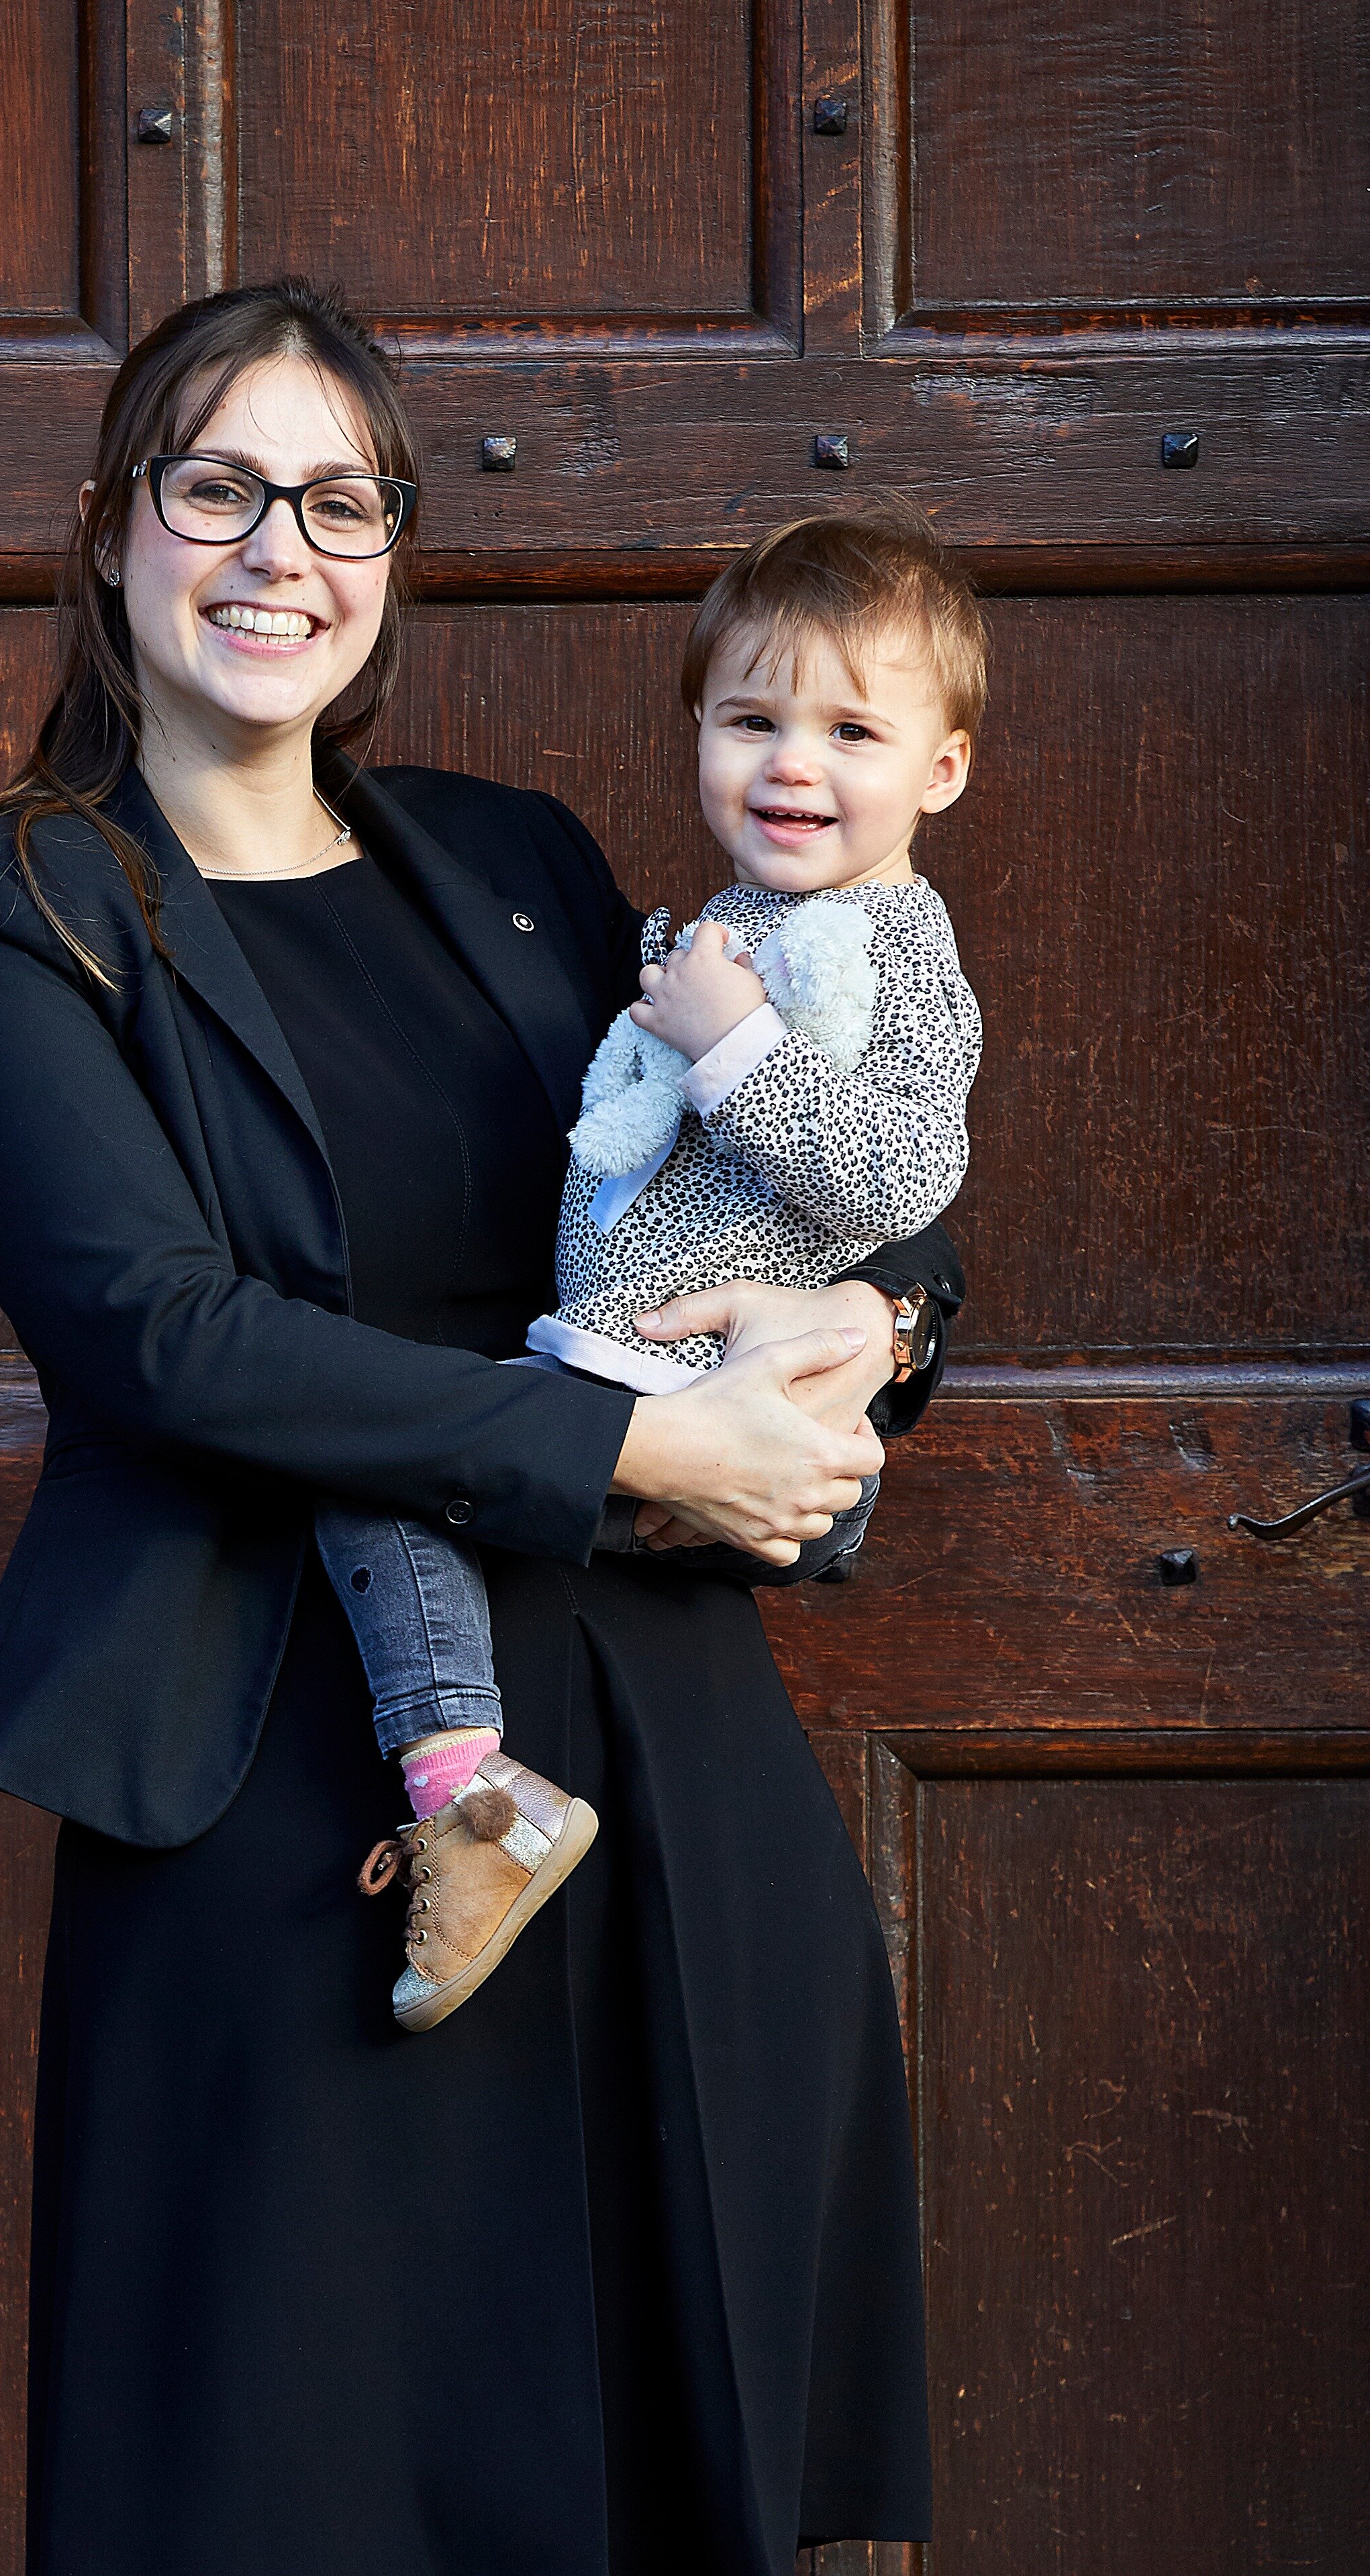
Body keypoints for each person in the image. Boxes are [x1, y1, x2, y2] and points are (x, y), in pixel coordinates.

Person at [0, 276, 951, 2575]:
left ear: (391, 554)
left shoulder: (526, 857)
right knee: (302, 2475)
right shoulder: (2, 913)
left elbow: (830, 1164)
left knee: (671, 2460)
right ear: (108, 531)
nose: (278, 550)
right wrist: (649, 1453)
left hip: (660, 1750)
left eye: (340, 499)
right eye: (218, 486)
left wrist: (861, 1356)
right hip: (283, 1792)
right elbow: (163, 1339)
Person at [317, 506, 987, 2034]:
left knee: (380, 1468)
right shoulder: (732, 924)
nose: (789, 764)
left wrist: (726, 1044)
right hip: (631, 1376)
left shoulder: (887, 951)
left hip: (700, 1391)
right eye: (749, 719)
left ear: (939, 770)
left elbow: (899, 1180)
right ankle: (476, 1793)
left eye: (848, 730)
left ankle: (466, 1796)